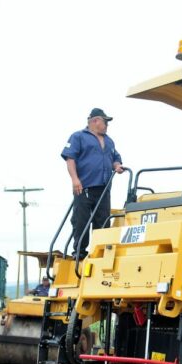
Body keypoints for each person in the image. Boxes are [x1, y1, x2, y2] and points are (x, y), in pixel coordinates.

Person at [61, 107, 124, 260]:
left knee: (102, 221)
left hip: (103, 188)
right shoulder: (78, 137)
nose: (107, 125)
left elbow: (115, 157)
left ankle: (99, 251)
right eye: (105, 122)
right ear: (95, 121)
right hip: (84, 186)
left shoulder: (109, 141)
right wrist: (75, 179)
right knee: (81, 220)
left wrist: (116, 165)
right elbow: (70, 159)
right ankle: (80, 253)